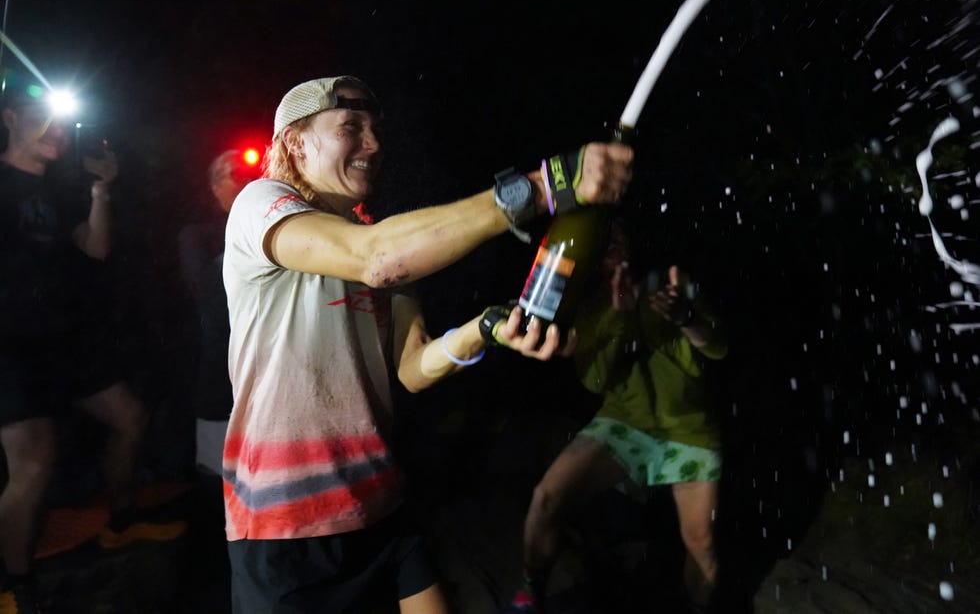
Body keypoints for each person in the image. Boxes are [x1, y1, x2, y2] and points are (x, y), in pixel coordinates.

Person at [221, 75, 633, 613]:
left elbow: (412, 368)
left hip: (382, 503)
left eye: (376, 130)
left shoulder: (383, 238)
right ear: (296, 142)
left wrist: (484, 328)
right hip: (287, 529)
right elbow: (373, 257)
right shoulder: (262, 204)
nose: (373, 144)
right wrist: (543, 186)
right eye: (351, 127)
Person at [0, 86, 186, 612]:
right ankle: (15, 582)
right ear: (11, 118)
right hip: (12, 348)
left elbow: (96, 248)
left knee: (130, 417)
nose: (55, 131)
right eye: (42, 119)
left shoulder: (58, 189)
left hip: (66, 341)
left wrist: (102, 191)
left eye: (59, 123)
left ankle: (120, 522)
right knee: (33, 462)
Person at [504, 221, 727, 613]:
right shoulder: (588, 308)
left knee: (701, 542)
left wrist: (687, 316)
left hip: (689, 427)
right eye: (605, 244)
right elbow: (596, 380)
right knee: (546, 499)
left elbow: (718, 349)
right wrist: (620, 317)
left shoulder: (671, 282)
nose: (615, 249)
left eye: (620, 240)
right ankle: (530, 590)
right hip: (625, 423)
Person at [178, 149, 255, 477]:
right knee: (216, 475)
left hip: (262, 374)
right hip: (219, 375)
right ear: (214, 185)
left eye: (250, 174)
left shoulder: (271, 227)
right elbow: (208, 293)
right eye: (234, 174)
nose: (246, 180)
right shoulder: (197, 234)